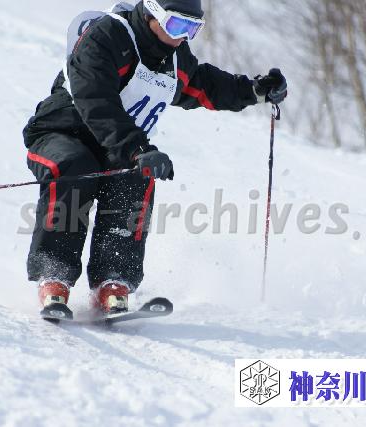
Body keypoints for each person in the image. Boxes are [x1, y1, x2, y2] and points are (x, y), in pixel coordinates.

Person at [23, 0, 288, 317]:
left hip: (117, 147)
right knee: (75, 167)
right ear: (152, 13)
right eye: (177, 25)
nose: (182, 37)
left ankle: (113, 282)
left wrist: (253, 91)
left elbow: (201, 84)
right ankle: (54, 277)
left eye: (192, 29)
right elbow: (95, 99)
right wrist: (138, 149)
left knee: (135, 177)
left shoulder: (174, 58)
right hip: (62, 132)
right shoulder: (108, 37)